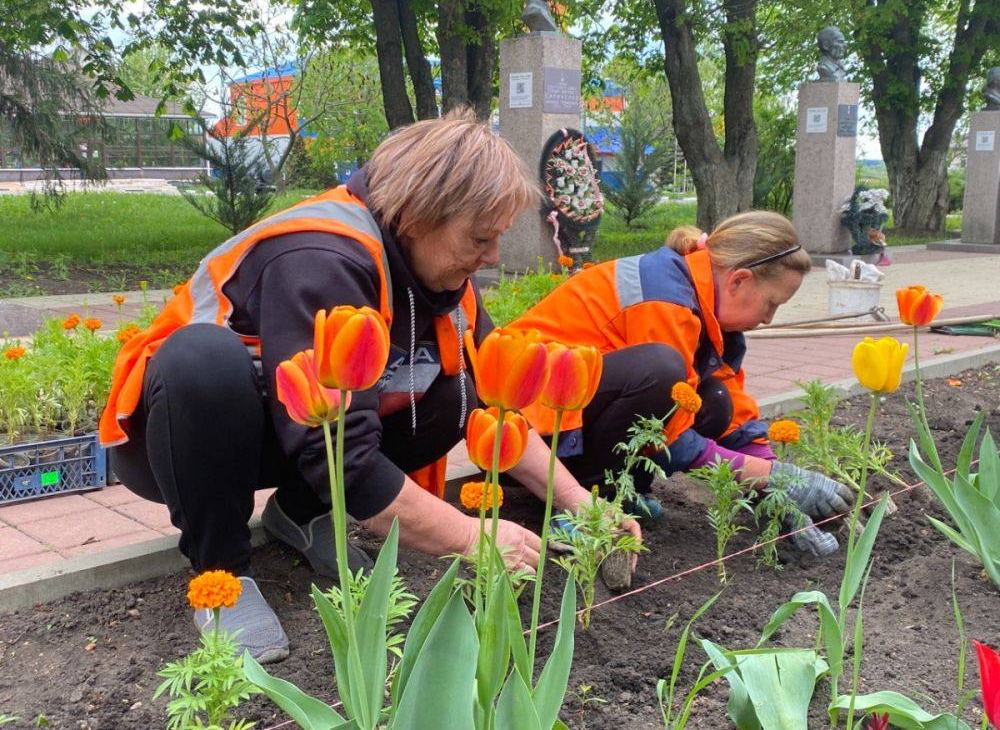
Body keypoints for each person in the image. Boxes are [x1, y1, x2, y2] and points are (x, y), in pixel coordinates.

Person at [99, 109, 610, 663]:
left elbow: (496, 403)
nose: (490, 258)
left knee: (454, 390)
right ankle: (222, 573)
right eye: (480, 239)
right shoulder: (321, 256)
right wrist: (473, 540)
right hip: (180, 439)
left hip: (290, 433)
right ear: (417, 217)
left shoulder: (440, 273)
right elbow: (338, 453)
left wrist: (583, 506)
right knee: (203, 359)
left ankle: (300, 512)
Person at [508, 211, 854, 557]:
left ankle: (618, 493)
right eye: (771, 304)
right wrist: (773, 477)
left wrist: (782, 496)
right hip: (522, 435)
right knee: (661, 373)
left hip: (569, 421)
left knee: (715, 400)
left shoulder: (705, 307)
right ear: (738, 280)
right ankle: (580, 505)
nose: (768, 319)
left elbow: (737, 416)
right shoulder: (664, 299)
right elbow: (670, 440)